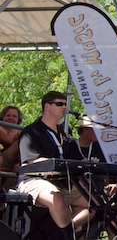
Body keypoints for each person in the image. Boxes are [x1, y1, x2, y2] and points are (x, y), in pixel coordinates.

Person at [17, 91, 91, 239]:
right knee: (55, 197)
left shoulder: (63, 134)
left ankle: (62, 232)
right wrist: (57, 164)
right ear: (47, 106)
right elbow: (32, 163)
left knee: (96, 202)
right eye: (59, 104)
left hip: (61, 182)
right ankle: (68, 236)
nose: (64, 107)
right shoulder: (31, 132)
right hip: (32, 180)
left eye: (65, 104)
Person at [1, 105, 23, 189]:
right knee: (23, 138)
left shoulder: (20, 130)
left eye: (14, 116)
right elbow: (9, 140)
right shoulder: (0, 127)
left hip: (14, 162)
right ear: (2, 117)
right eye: (8, 115)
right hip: (3, 159)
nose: (11, 118)